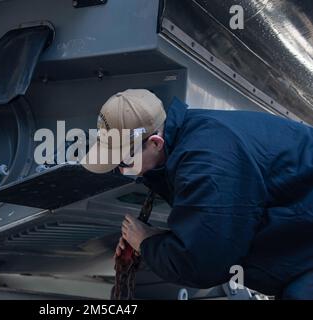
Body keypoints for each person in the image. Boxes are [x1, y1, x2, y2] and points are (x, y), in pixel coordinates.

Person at [82, 89, 313, 299]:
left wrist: (146, 243)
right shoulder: (191, 136)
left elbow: (204, 264)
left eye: (124, 160)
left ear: (155, 142)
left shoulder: (206, 165)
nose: (122, 170)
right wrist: (154, 238)